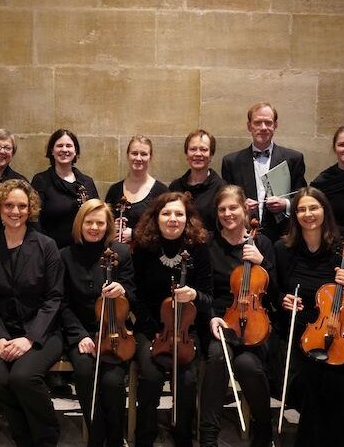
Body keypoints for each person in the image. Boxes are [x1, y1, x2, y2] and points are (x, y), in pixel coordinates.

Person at [0, 179, 64, 447]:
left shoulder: (46, 246)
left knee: (23, 378)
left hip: (42, 332)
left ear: (31, 209)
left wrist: (29, 338)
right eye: (9, 205)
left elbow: (54, 297)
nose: (15, 211)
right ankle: (23, 433)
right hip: (2, 331)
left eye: (22, 206)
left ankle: (47, 435)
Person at [275, 187, 344, 447]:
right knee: (314, 383)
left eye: (313, 208)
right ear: (295, 215)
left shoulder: (342, 250)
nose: (308, 214)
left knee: (327, 383)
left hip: (335, 334)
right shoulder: (284, 248)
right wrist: (283, 300)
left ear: (325, 210)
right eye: (301, 209)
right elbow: (274, 289)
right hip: (296, 330)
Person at [131, 192, 213, 447]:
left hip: (187, 331)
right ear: (156, 218)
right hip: (151, 328)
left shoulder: (199, 250)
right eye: (166, 213)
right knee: (151, 375)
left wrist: (194, 295)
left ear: (187, 218)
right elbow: (136, 294)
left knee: (187, 379)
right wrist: (155, 331)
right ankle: (145, 435)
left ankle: (183, 435)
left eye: (179, 213)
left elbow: (209, 298)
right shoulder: (144, 249)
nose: (173, 219)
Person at [199, 185, 276, 447]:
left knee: (248, 366)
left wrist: (262, 262)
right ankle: (208, 434)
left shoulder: (261, 242)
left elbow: (275, 292)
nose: (228, 213)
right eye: (222, 209)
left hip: (255, 323)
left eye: (233, 207)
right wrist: (210, 316)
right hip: (220, 320)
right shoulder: (208, 244)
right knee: (218, 357)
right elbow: (203, 290)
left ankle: (264, 429)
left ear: (245, 209)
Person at [60, 199, 136, 447]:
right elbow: (62, 303)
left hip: (114, 331)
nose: (94, 227)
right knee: (84, 371)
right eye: (89, 222)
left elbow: (134, 295)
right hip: (80, 332)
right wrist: (80, 335)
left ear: (108, 226)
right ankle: (96, 436)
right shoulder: (65, 256)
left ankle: (115, 438)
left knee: (113, 381)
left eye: (100, 223)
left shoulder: (121, 253)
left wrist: (122, 289)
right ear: (80, 224)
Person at [221, 102, 307, 242]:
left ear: (275, 125)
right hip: (243, 234)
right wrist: (241, 206)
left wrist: (285, 204)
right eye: (257, 123)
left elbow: (302, 197)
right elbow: (225, 201)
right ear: (249, 126)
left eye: (268, 122)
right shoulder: (231, 162)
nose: (263, 128)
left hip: (283, 236)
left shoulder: (294, 158)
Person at [32, 128, 99, 248]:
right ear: (52, 150)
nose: (64, 149)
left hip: (83, 249)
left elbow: (97, 215)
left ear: (75, 151)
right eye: (59, 146)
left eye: (69, 146)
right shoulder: (41, 180)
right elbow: (34, 219)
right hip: (52, 250)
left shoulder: (87, 182)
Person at [104, 135, 168, 243]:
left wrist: (135, 234)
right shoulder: (114, 190)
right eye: (134, 153)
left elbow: (166, 228)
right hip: (119, 256)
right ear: (127, 155)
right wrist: (111, 226)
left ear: (150, 157)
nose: (138, 158)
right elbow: (103, 223)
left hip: (148, 256)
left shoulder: (161, 191)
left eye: (144, 154)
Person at [168, 129, 227, 233]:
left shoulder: (221, 188)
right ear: (186, 154)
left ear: (211, 155)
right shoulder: (175, 187)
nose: (198, 154)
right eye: (193, 149)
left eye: (204, 149)